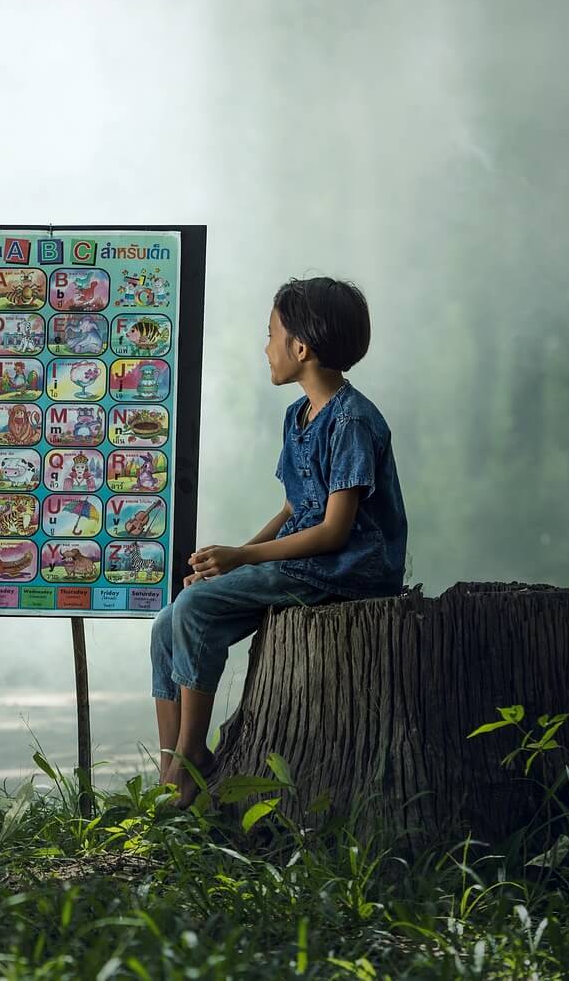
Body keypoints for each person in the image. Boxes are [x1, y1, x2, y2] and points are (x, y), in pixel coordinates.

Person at [148, 276, 408, 805]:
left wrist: (242, 557)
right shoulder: (299, 416)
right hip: (305, 562)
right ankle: (173, 762)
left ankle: (188, 767)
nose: (265, 348)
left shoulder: (352, 420)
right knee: (168, 619)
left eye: (270, 334)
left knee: (196, 608)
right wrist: (227, 562)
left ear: (301, 348)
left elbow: (335, 531)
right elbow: (294, 506)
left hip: (347, 569)